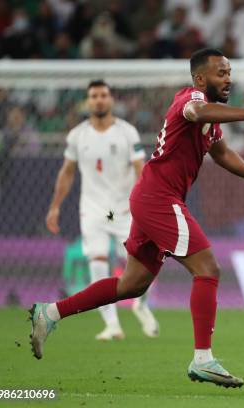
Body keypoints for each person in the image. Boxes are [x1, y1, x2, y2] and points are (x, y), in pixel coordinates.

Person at [30, 48, 244, 388]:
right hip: (159, 199)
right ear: (201, 78)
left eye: (229, 72)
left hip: (150, 199)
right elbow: (196, 110)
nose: (228, 78)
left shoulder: (211, 119)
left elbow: (224, 155)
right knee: (208, 269)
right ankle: (203, 359)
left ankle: (49, 312)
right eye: (221, 73)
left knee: (132, 284)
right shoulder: (192, 98)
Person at [46, 80, 159, 341]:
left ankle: (141, 305)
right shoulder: (77, 136)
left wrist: (147, 202)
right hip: (93, 209)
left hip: (123, 209)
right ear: (88, 102)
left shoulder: (126, 132)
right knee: (97, 260)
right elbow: (67, 173)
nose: (99, 100)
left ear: (110, 100)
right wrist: (54, 207)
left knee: (139, 265)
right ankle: (112, 324)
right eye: (94, 96)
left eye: (103, 95)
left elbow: (141, 169)